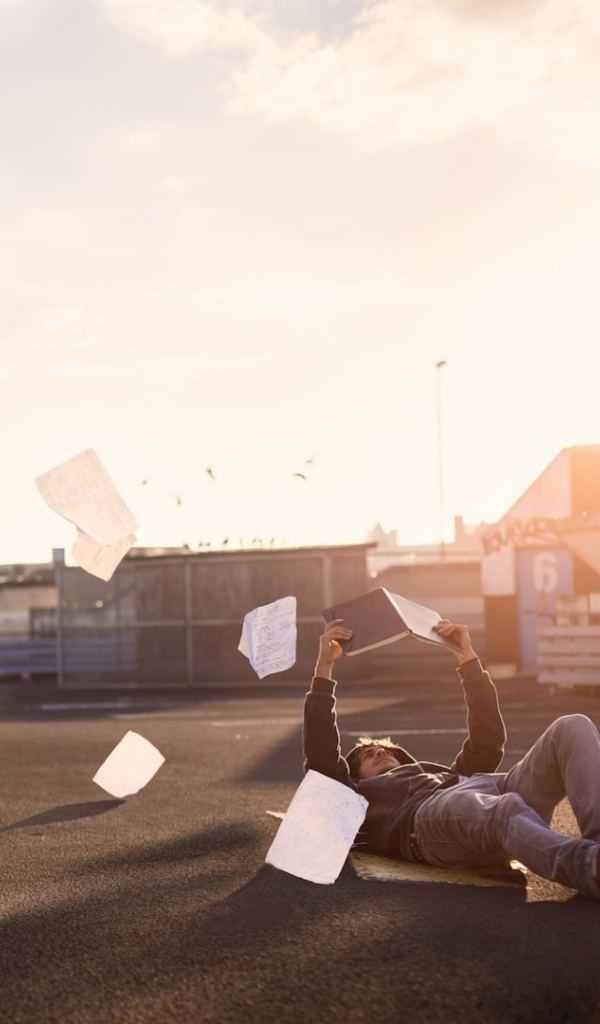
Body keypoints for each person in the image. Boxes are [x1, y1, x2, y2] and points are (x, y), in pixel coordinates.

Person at [303, 616, 600, 900]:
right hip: (429, 822)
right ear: (356, 778)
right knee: (503, 808)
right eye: (368, 756)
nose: (379, 752)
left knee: (571, 726)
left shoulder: (441, 774)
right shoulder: (358, 799)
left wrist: (466, 657)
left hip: (478, 791)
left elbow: (488, 741)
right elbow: (322, 756)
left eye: (384, 750)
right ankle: (589, 867)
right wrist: (324, 667)